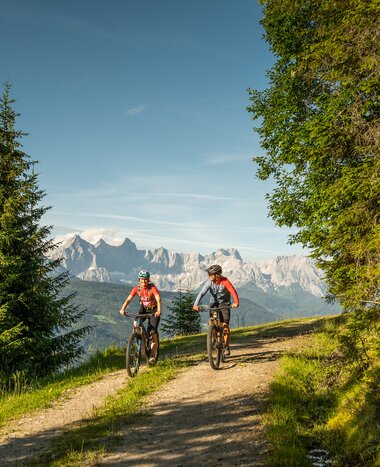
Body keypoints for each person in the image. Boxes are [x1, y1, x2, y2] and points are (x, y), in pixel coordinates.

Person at [193, 264, 239, 356]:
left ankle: (226, 346)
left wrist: (236, 302)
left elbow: (233, 291)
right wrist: (195, 304)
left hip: (225, 304)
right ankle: (212, 334)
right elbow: (201, 293)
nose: (209, 276)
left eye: (211, 274)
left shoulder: (225, 281)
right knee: (212, 321)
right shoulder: (209, 282)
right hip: (213, 303)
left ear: (217, 275)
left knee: (225, 325)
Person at [119, 269, 162, 364]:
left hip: (154, 310)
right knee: (136, 323)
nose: (143, 282)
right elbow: (128, 299)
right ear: (139, 280)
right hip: (143, 309)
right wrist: (122, 309)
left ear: (148, 279)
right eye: (141, 280)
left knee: (152, 333)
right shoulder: (136, 289)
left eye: (145, 279)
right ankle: (140, 337)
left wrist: (158, 311)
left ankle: (152, 356)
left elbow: (158, 299)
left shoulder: (152, 288)